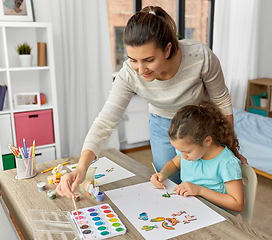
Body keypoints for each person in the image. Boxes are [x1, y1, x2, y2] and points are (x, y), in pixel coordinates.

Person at [56, 5, 246, 199]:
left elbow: (221, 101)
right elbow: (105, 121)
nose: (140, 69)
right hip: (162, 122)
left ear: (167, 49)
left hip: (199, 124)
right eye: (133, 60)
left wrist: (229, 147)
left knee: (209, 183)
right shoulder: (129, 74)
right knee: (171, 185)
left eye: (148, 59)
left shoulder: (200, 57)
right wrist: (81, 167)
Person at [150, 101, 244, 212]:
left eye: (187, 152)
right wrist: (162, 174)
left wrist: (200, 190)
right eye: (179, 151)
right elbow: (174, 164)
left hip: (214, 215)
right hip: (188, 209)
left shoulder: (227, 162)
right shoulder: (187, 153)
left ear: (207, 141)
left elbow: (237, 204)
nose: (183, 156)